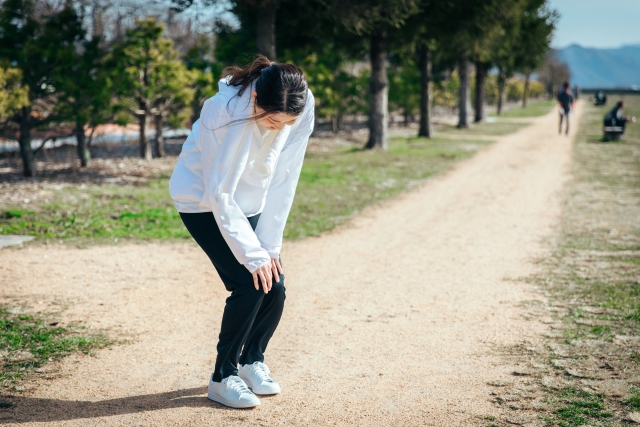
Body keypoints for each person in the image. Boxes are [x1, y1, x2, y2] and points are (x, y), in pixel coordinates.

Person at [169, 56, 314, 409]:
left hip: (250, 203)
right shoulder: (223, 110)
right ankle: (222, 378)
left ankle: (252, 362)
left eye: (286, 124)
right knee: (249, 282)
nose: (279, 129)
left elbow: (285, 178)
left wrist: (270, 248)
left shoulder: (302, 103)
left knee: (274, 285)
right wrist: (253, 257)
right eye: (271, 121)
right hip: (201, 200)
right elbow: (219, 192)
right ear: (254, 102)